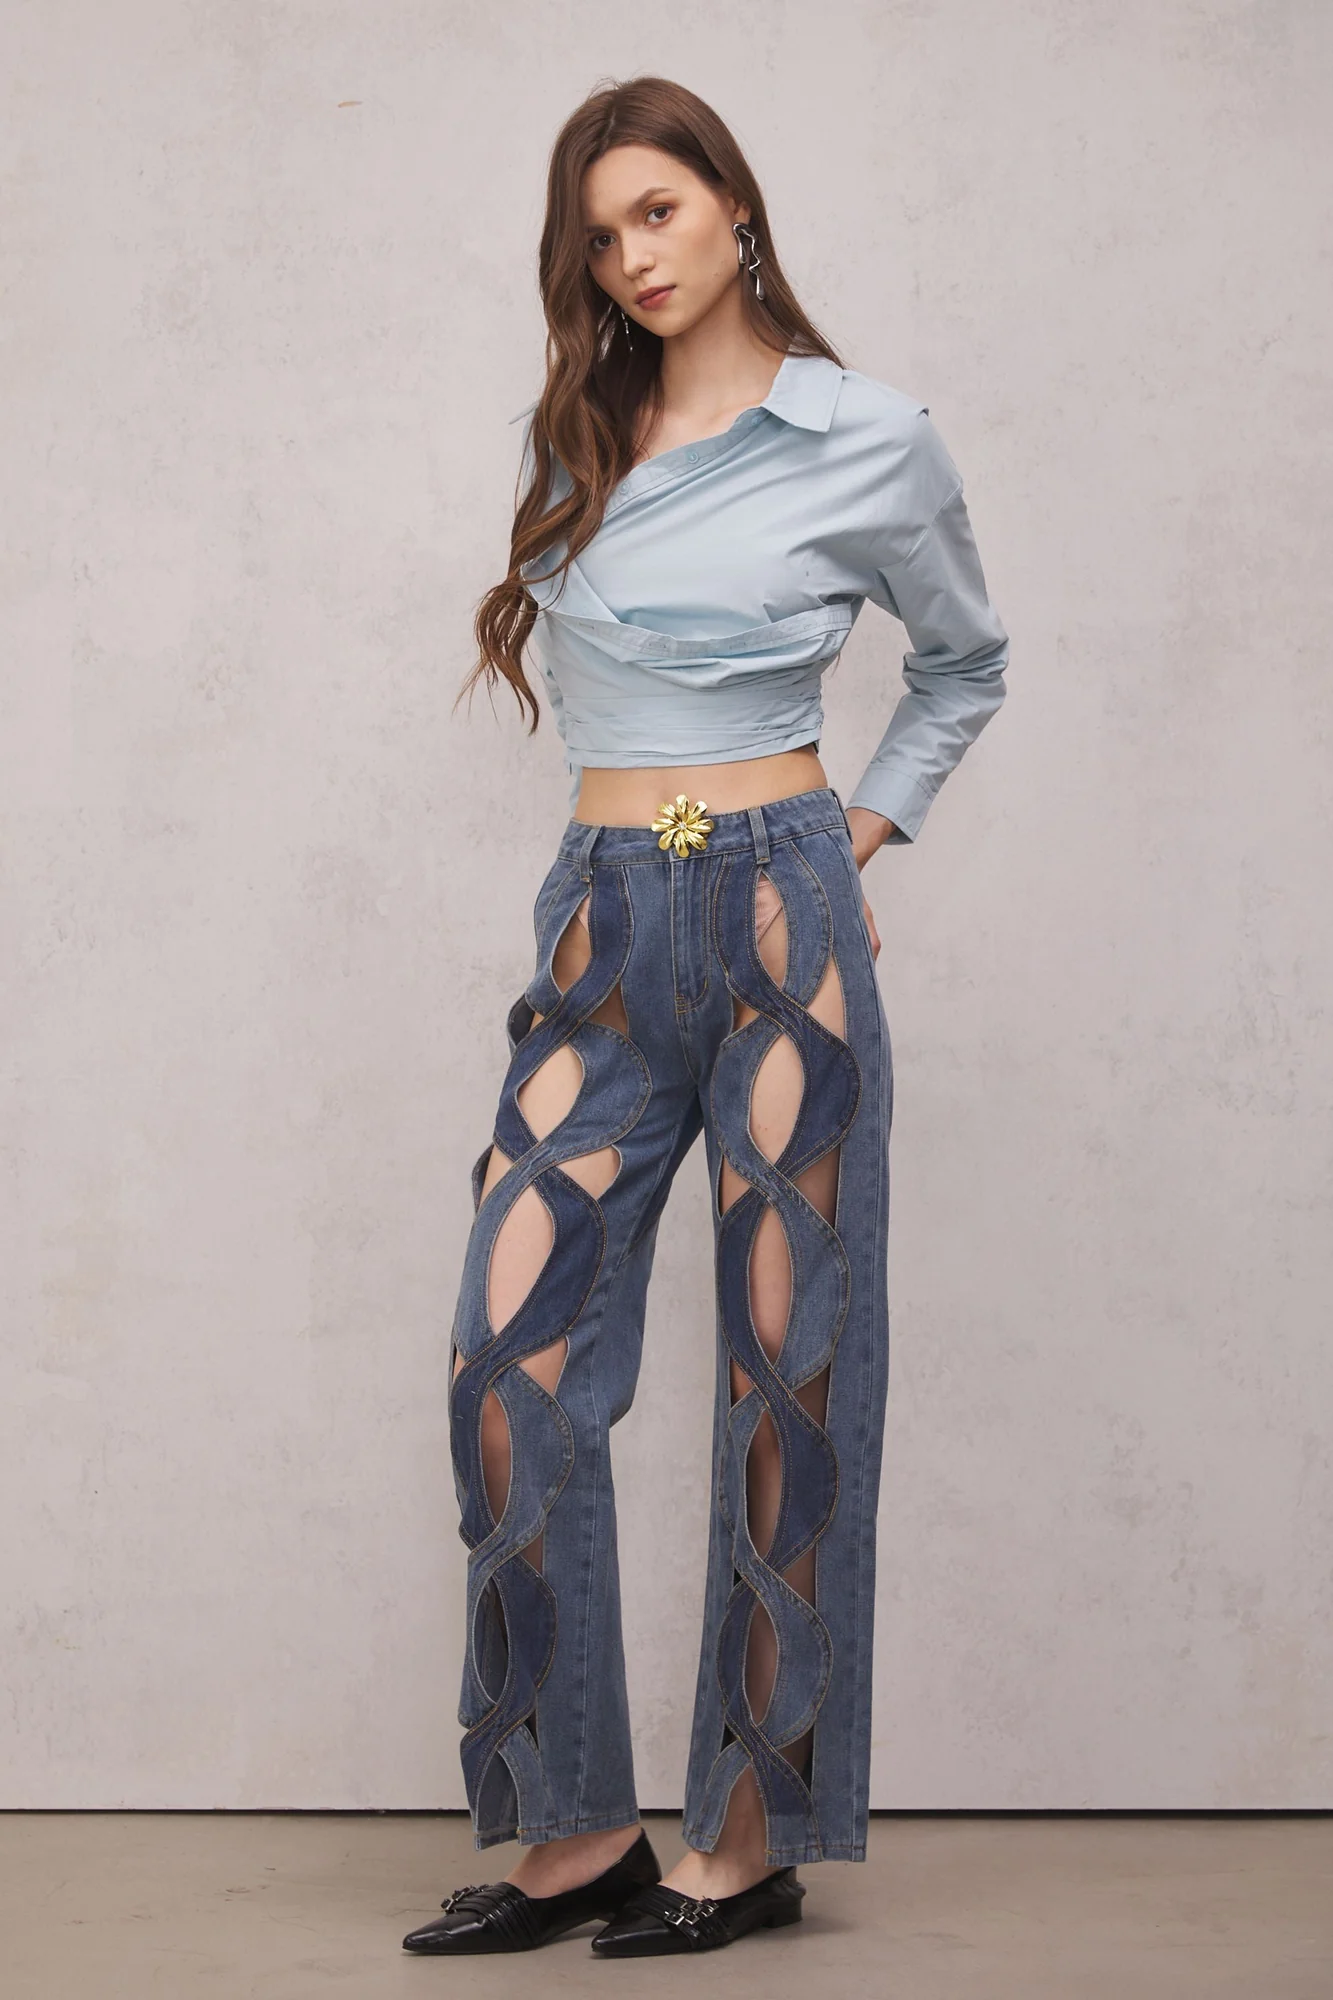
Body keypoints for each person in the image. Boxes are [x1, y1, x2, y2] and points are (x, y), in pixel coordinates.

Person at [401, 73, 1009, 1960]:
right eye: (599, 237)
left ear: (736, 208)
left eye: (657, 212)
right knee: (506, 1369)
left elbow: (964, 662)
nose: (633, 258)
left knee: (785, 1374)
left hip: (773, 907)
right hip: (605, 913)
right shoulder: (581, 432)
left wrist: (851, 838)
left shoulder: (869, 435)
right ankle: (576, 1827)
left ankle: (744, 1838)